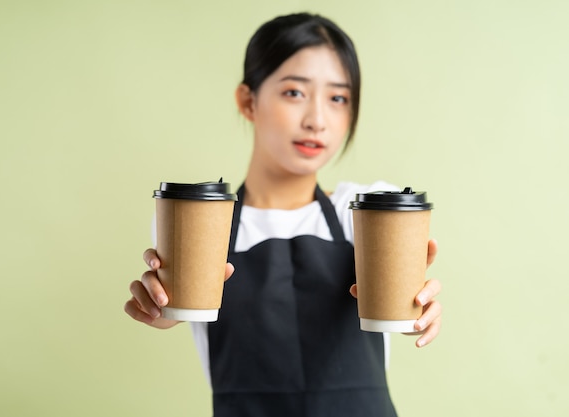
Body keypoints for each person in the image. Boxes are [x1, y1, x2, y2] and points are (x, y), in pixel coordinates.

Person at [125, 12, 442, 417]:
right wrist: (162, 308)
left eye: (338, 98)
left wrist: (418, 307)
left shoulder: (364, 212)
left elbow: (406, 305)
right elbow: (174, 310)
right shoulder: (200, 222)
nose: (317, 120)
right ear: (248, 100)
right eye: (294, 92)